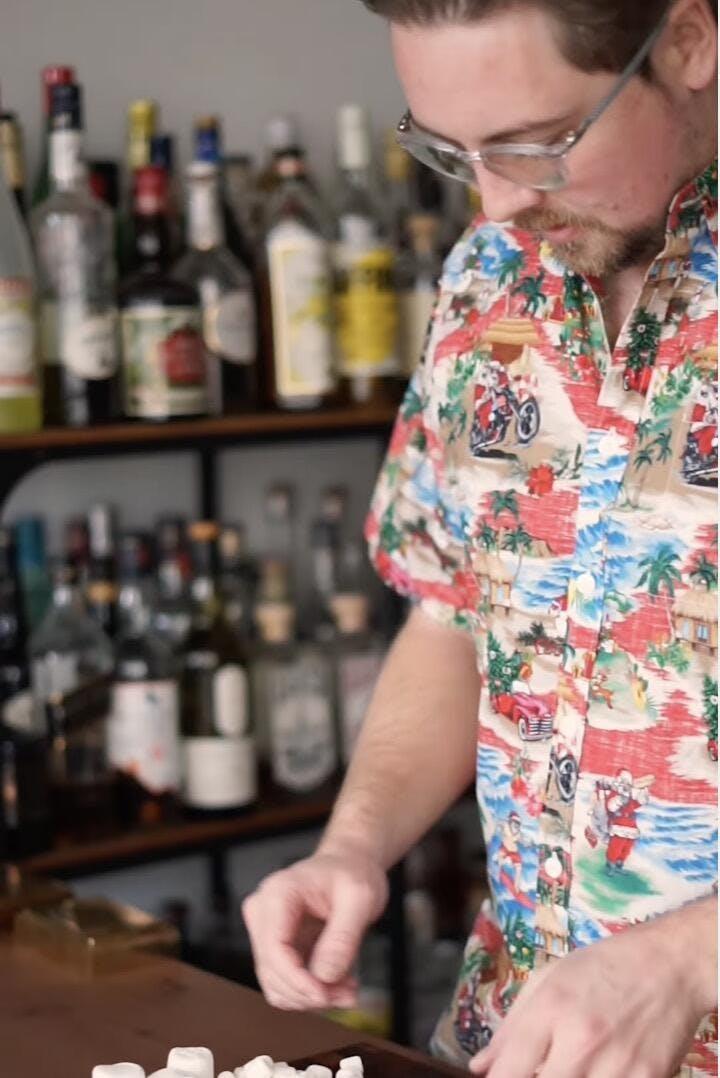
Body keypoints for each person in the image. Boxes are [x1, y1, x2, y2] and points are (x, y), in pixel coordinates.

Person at [243, 2, 718, 1074]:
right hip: (510, 1038)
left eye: (538, 146)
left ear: (689, 42)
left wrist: (689, 960)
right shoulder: (486, 276)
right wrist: (353, 846)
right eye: (453, 153)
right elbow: (452, 615)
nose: (498, 202)